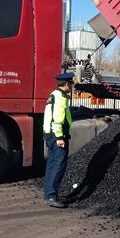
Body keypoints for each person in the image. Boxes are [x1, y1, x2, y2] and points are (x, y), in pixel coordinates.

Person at [43, 72, 74, 208]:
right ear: (66, 84)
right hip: (57, 136)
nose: (72, 86)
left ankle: (49, 193)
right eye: (71, 84)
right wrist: (60, 137)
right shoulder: (61, 97)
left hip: (49, 135)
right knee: (58, 165)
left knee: (51, 164)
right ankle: (51, 196)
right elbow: (58, 119)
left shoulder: (53, 95)